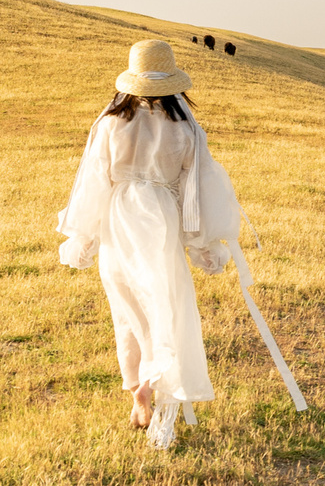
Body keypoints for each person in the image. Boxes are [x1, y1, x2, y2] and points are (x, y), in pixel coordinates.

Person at [55, 39, 242, 446]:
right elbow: (195, 188)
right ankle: (158, 390)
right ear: (172, 83)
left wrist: (83, 235)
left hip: (117, 223)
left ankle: (139, 391)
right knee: (164, 307)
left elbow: (93, 181)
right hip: (159, 223)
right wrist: (201, 242)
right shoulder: (185, 126)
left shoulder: (109, 123)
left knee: (128, 311)